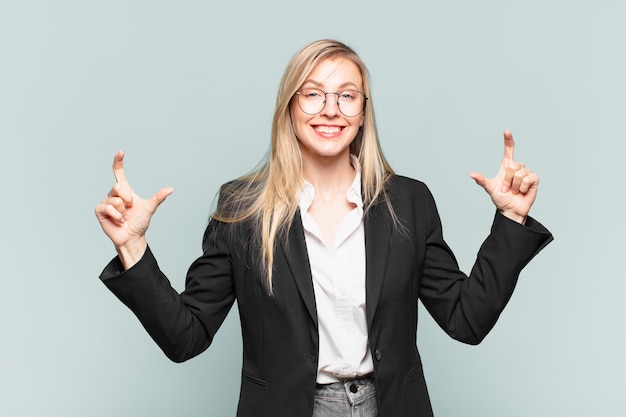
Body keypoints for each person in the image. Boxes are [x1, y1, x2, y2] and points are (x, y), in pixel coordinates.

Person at [95, 39, 553, 417]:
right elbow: (186, 336)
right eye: (313, 93)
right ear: (290, 106)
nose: (330, 109)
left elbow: (465, 319)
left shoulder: (408, 202)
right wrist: (133, 247)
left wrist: (510, 220)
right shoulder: (243, 209)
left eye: (347, 95)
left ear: (362, 111)